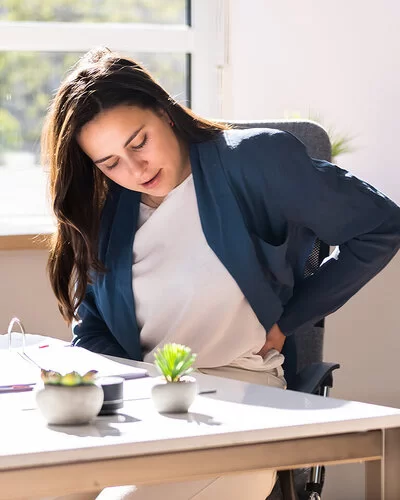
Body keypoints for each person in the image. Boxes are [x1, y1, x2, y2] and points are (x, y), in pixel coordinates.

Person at [42, 47, 400, 500]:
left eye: (139, 142)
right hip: (146, 410)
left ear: (166, 113)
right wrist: (123, 392)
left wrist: (290, 320)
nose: (134, 169)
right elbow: (91, 326)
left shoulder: (255, 162)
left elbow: (379, 226)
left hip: (240, 403)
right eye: (109, 163)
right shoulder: (104, 211)